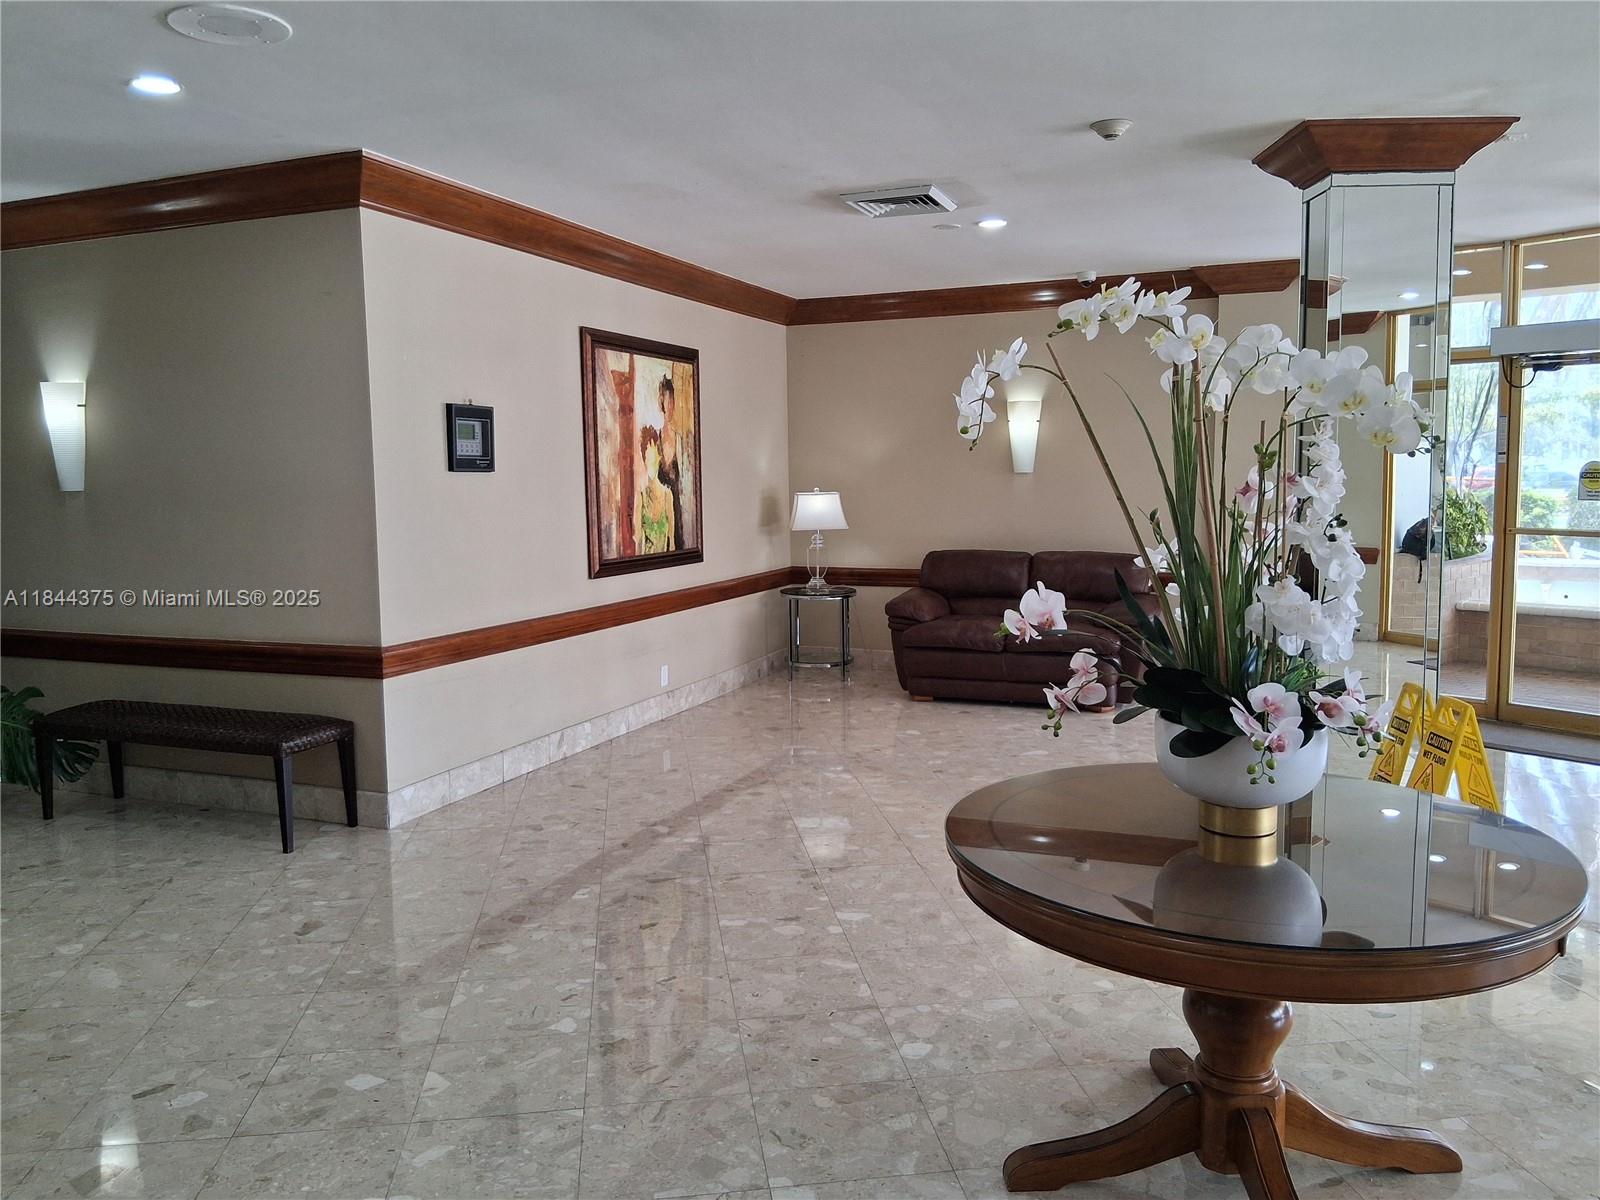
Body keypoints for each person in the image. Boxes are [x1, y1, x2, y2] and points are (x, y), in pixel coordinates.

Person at [634, 425, 676, 554]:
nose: (650, 462)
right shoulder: (641, 497)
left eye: (653, 457)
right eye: (647, 458)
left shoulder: (667, 495)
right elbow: (638, 542)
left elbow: (672, 544)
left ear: (659, 457)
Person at [657, 375, 686, 546]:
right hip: (661, 516)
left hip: (677, 510)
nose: (670, 407)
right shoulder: (655, 440)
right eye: (667, 402)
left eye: (672, 402)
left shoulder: (680, 441)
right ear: (661, 404)